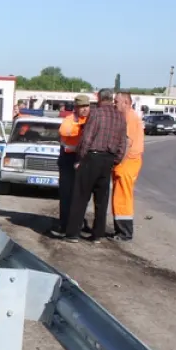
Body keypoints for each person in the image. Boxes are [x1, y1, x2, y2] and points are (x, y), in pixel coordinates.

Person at [63, 89, 127, 242]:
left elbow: (87, 138)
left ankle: (73, 233)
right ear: (111, 99)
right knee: (101, 199)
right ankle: (98, 235)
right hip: (108, 159)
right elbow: (123, 143)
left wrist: (79, 158)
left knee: (81, 196)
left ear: (99, 98)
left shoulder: (96, 113)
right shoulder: (120, 117)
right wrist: (115, 160)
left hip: (92, 157)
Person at [54, 95, 91, 233]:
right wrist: (81, 129)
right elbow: (65, 132)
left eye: (86, 106)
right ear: (75, 108)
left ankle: (79, 222)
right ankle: (64, 224)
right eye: (82, 107)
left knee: (83, 195)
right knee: (66, 194)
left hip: (84, 159)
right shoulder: (69, 120)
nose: (85, 109)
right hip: (68, 159)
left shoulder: (90, 119)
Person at [111, 92, 144, 241]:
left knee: (122, 197)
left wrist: (117, 161)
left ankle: (124, 232)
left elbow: (126, 143)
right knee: (120, 196)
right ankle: (122, 230)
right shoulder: (128, 116)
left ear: (126, 102)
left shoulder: (130, 117)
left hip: (128, 162)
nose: (114, 104)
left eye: (116, 101)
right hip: (127, 162)